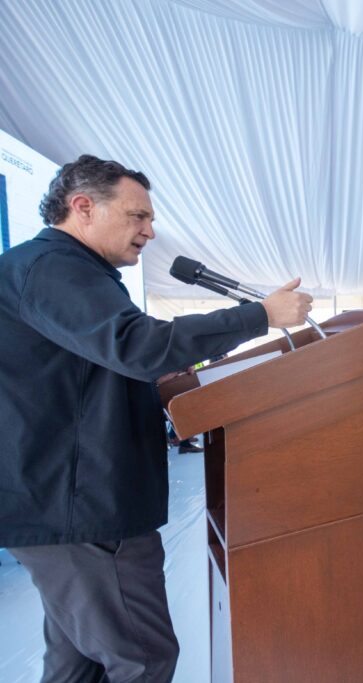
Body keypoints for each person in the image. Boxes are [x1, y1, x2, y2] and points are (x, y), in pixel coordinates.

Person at [0, 155, 313, 681]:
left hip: (65, 506)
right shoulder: (53, 269)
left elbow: (93, 371)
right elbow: (136, 345)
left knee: (78, 664)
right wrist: (259, 315)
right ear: (83, 207)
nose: (149, 230)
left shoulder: (64, 270)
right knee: (143, 659)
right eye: (137, 216)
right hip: (81, 511)